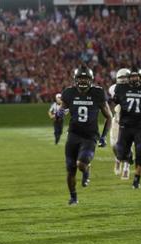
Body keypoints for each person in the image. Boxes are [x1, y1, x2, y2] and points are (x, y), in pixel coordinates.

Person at [58, 66, 112, 205]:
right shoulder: (69, 92)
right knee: (71, 170)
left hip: (90, 136)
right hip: (73, 135)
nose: (82, 81)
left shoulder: (98, 93)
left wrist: (104, 136)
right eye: (80, 78)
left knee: (81, 164)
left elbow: (109, 117)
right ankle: (73, 197)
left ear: (91, 80)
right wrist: (60, 113)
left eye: (85, 78)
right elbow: (62, 110)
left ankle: (86, 170)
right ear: (75, 79)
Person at [112, 67, 141, 188]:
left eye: (136, 76)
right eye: (132, 76)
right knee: (120, 153)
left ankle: (136, 180)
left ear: (140, 77)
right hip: (125, 126)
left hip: (140, 126)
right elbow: (115, 101)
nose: (134, 78)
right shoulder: (121, 88)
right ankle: (129, 157)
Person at [108, 68, 131, 178]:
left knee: (128, 146)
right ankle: (117, 159)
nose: (123, 80)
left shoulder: (135, 89)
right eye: (121, 78)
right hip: (117, 121)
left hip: (130, 122)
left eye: (125, 77)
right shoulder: (113, 88)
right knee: (114, 145)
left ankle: (126, 168)